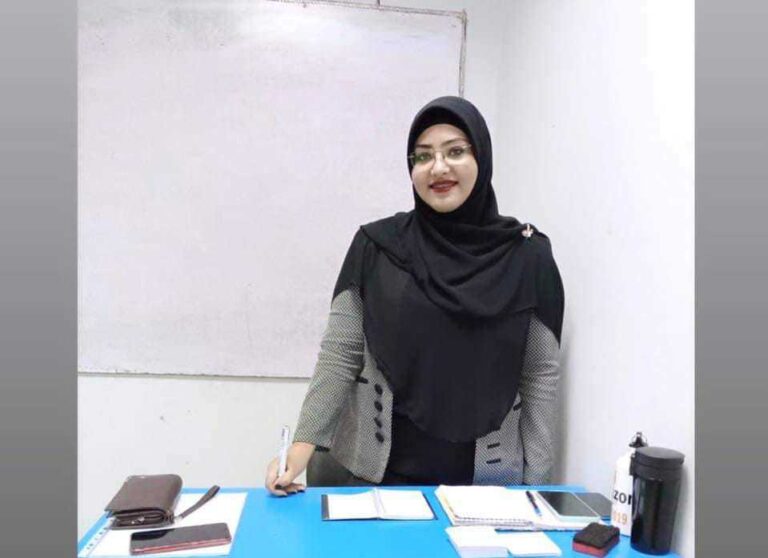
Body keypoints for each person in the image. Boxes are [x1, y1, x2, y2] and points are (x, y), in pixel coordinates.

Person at [265, 96, 564, 496]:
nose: (438, 168)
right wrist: (300, 449)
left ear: (482, 157)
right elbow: (340, 354)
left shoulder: (528, 256)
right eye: (423, 156)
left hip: (483, 489)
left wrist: (537, 489)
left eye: (455, 151)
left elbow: (539, 375)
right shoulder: (376, 246)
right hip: (375, 478)